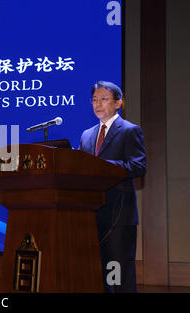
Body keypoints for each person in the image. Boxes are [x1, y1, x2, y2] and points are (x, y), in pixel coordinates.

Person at [79, 81, 147, 293]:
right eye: (94, 100)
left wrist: (103, 166)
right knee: (96, 271)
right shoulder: (87, 135)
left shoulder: (129, 131)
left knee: (117, 271)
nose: (98, 104)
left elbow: (138, 166)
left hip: (119, 215)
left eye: (104, 99)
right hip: (91, 214)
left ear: (118, 103)